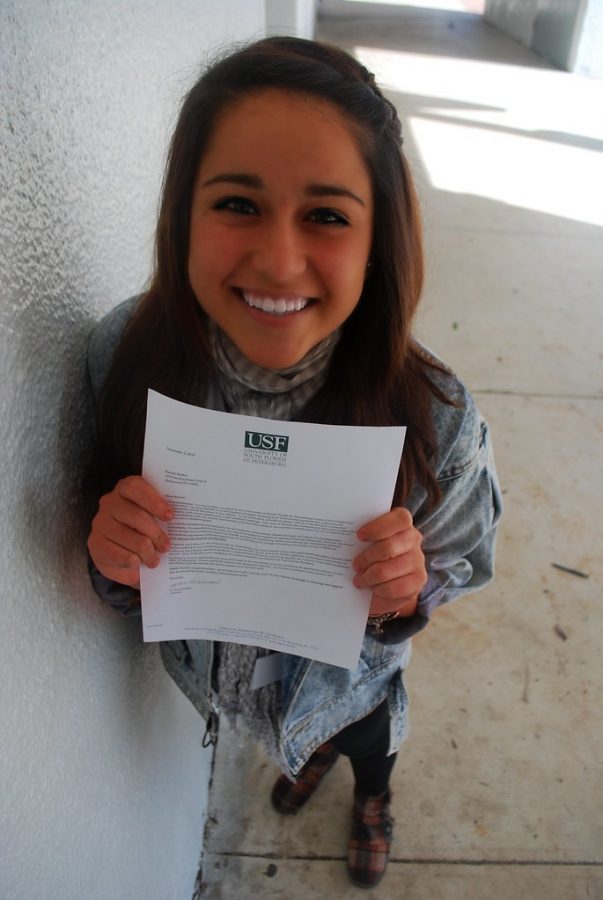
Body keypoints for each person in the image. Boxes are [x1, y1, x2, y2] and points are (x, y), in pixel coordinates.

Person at [86, 36, 501, 889]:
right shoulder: (123, 357)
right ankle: (299, 760)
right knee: (306, 748)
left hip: (349, 683)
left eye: (326, 214)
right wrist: (114, 565)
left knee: (364, 742)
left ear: (379, 237)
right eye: (237, 202)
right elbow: (125, 555)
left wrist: (407, 591)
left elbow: (463, 558)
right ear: (179, 213)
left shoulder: (438, 415)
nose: (278, 261)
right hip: (212, 682)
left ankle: (370, 797)